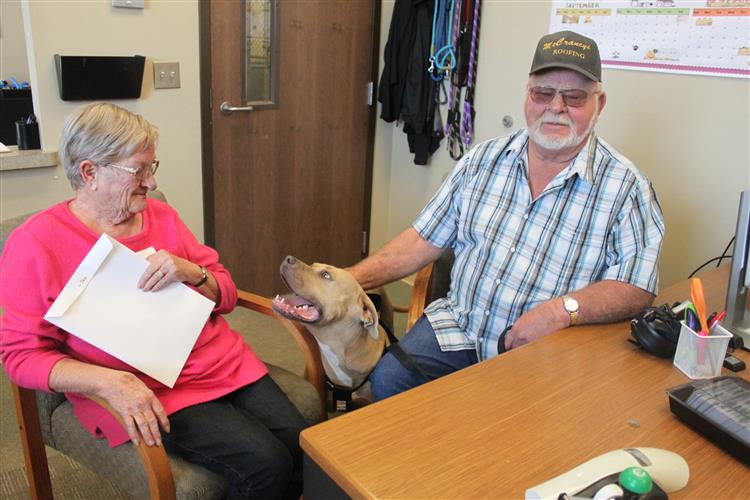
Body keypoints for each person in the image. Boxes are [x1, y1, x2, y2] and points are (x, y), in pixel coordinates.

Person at [0, 102, 306, 499]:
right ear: (90, 172)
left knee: (304, 445)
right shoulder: (36, 244)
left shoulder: (162, 217)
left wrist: (193, 273)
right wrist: (109, 381)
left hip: (220, 363)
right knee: (267, 463)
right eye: (138, 170)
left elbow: (227, 294)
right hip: (148, 387)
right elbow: (20, 356)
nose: (151, 182)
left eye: (152, 167)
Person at [350, 31, 665, 400]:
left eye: (574, 97)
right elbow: (422, 239)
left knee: (516, 436)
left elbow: (638, 286)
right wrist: (345, 281)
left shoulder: (627, 189)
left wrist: (564, 310)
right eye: (543, 93)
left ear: (600, 103)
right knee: (389, 381)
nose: (556, 106)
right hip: (461, 326)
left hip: (546, 349)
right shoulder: (482, 160)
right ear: (528, 95)